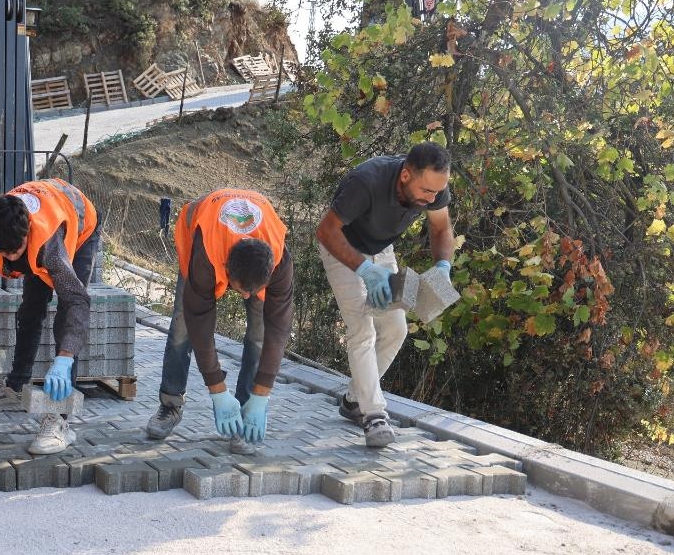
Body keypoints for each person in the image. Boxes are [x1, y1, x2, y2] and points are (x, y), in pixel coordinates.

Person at [314, 142, 455, 448]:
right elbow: (325, 231)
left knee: (395, 328)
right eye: (427, 192)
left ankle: (355, 399)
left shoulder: (434, 189)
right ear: (405, 175)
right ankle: (374, 414)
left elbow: (441, 229)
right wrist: (364, 270)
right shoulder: (366, 182)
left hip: (380, 250)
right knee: (361, 328)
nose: (432, 199)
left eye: (437, 193)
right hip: (342, 249)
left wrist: (443, 267)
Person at [144, 189, 294, 455]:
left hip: (254, 244)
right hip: (199, 238)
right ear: (225, 268)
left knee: (259, 334)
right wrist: (217, 390)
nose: (247, 296)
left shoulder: (280, 261)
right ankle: (170, 405)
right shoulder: (206, 256)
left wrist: (263, 394)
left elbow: (278, 329)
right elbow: (200, 324)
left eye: (253, 290)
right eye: (241, 289)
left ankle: (247, 410)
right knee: (182, 328)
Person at [0, 178, 100, 455]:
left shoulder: (49, 246)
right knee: (30, 310)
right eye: (3, 253)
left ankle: (59, 421)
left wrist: (65, 357)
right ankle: (15, 388)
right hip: (48, 209)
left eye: (16, 251)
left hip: (81, 226)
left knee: (64, 320)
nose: (9, 257)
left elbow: (77, 302)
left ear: (27, 233)